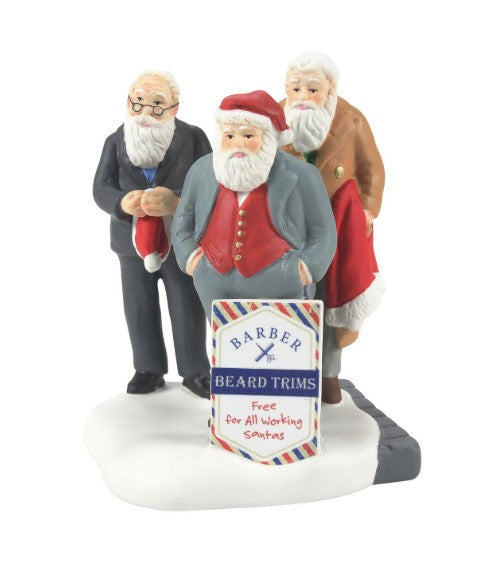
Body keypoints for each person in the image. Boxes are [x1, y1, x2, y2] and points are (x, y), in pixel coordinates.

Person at [93, 71, 210, 397]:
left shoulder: (193, 137)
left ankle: (195, 370)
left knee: (186, 305)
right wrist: (121, 202)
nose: (145, 113)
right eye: (138, 103)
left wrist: (177, 201)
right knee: (138, 306)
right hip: (131, 244)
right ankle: (148, 368)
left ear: (174, 107)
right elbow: (100, 187)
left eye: (157, 105)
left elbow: (210, 183)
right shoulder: (116, 140)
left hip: (180, 241)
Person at [172, 90, 336, 320]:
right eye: (229, 136)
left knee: (280, 340)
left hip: (280, 280)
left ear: (268, 138)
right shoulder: (201, 171)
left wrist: (306, 268)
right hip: (214, 280)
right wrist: (191, 259)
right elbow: (183, 220)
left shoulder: (303, 175)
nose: (237, 144)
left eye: (248, 135)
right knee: (226, 340)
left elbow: (323, 230)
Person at [281, 51, 385, 404]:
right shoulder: (274, 119)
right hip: (288, 226)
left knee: (330, 300)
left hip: (336, 225)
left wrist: (367, 209)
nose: (302, 96)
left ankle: (328, 373)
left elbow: (372, 169)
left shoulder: (351, 121)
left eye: (312, 89)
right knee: (290, 296)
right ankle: (290, 371)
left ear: (330, 88)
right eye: (295, 88)